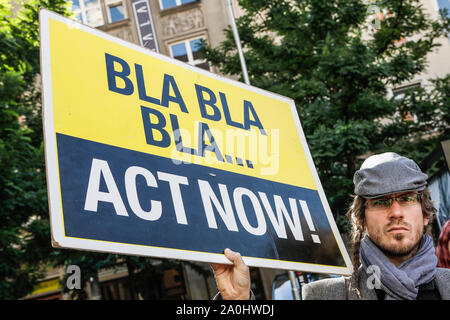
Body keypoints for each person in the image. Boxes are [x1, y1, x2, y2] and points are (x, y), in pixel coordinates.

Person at [210, 152, 450, 300]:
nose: (396, 212)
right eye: (381, 202)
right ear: (361, 219)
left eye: (407, 199)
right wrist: (237, 301)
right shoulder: (322, 295)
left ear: (426, 213)